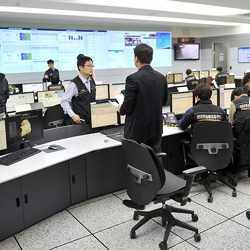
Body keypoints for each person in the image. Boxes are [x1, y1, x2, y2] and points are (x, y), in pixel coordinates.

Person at [119, 43, 168, 152]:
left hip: (137, 133)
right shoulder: (161, 77)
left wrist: (120, 109)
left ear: (136, 58)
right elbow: (164, 102)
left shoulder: (132, 79)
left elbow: (127, 107)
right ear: (151, 58)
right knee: (153, 163)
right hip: (156, 129)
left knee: (139, 165)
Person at [61, 54, 96, 125]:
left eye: (92, 66)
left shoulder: (91, 80)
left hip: (92, 119)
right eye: (89, 66)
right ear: (80, 67)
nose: (91, 68)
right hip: (81, 121)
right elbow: (64, 101)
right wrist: (73, 115)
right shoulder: (74, 84)